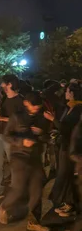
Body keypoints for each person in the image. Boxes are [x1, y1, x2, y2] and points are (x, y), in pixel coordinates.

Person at [0, 91, 50, 231]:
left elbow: (47, 137)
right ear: (26, 103)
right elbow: (6, 136)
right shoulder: (17, 117)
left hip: (35, 158)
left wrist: (41, 134)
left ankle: (33, 221)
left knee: (37, 189)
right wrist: (21, 142)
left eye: (38, 107)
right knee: (19, 189)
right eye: (33, 106)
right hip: (19, 157)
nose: (36, 109)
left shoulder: (41, 117)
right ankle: (4, 207)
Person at [44, 80, 82, 218]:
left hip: (71, 147)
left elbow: (68, 129)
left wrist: (53, 119)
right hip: (65, 145)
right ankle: (69, 203)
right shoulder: (69, 107)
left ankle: (68, 204)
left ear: (72, 93)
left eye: (67, 91)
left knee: (65, 175)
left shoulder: (78, 109)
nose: (65, 93)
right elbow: (48, 93)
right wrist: (58, 85)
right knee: (66, 175)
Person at [0, 75, 24, 199]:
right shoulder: (4, 98)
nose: (1, 85)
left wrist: (1, 118)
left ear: (9, 84)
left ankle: (16, 191)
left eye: (3, 83)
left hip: (11, 136)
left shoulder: (20, 101)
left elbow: (19, 121)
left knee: (12, 163)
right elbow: (3, 115)